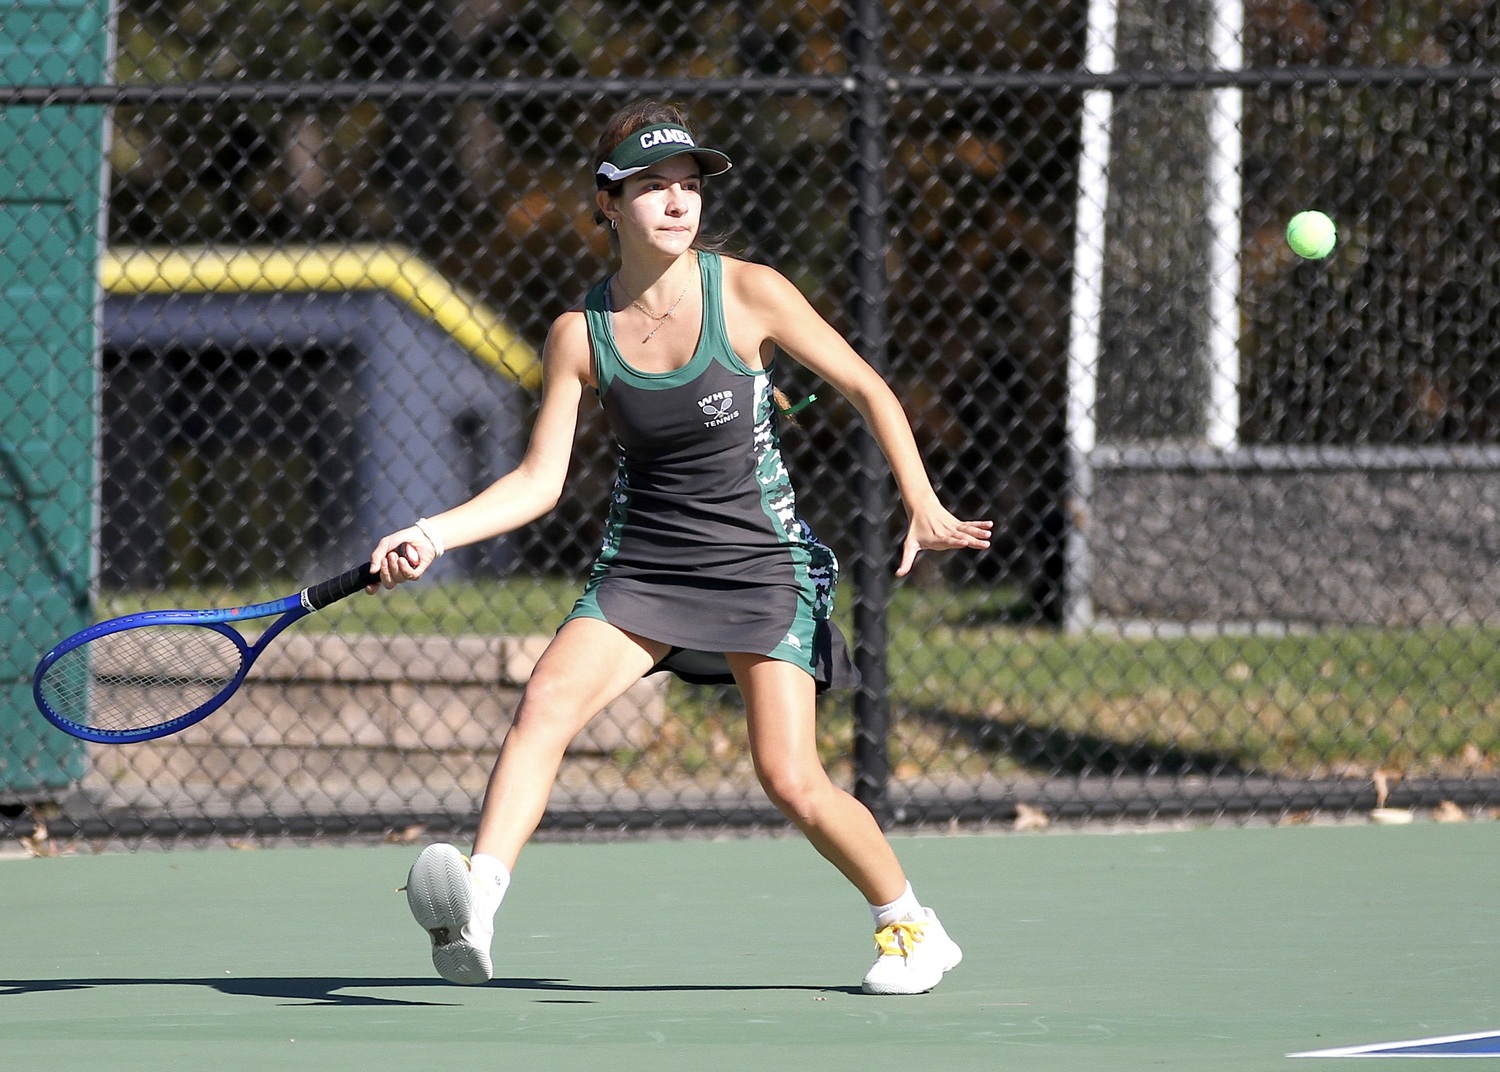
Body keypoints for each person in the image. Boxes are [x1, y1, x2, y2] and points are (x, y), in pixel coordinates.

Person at [368, 99, 993, 996]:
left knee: (789, 777)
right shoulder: (578, 335)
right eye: (653, 187)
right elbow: (539, 482)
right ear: (607, 203)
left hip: (761, 564)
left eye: (689, 187)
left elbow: (868, 387)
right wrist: (432, 532)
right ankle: (478, 904)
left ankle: (910, 927)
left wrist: (922, 501)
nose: (676, 203)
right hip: (645, 565)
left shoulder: (749, 292)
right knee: (544, 703)